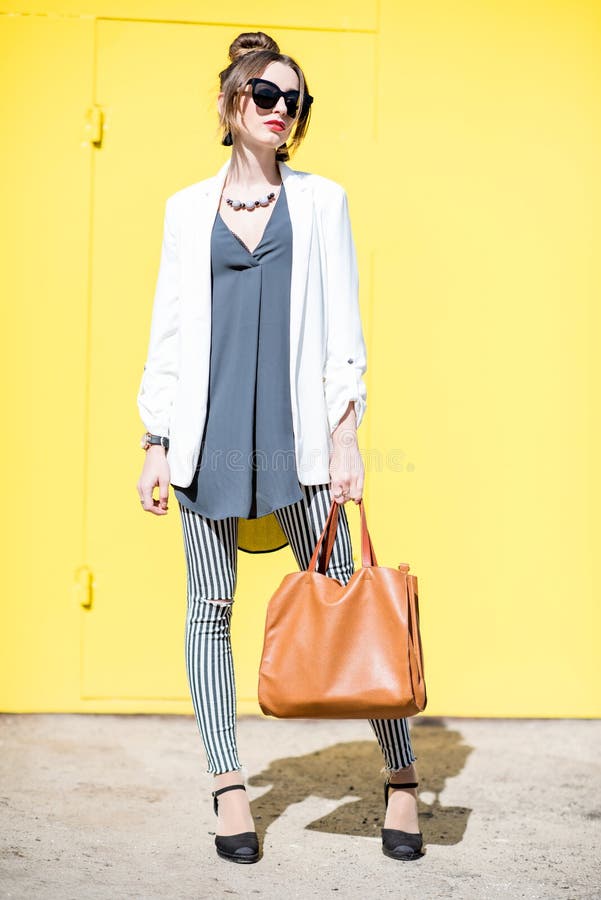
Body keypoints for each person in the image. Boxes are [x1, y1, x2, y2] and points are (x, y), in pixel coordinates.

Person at [136, 30, 423, 864]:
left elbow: (344, 333)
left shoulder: (322, 202)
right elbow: (170, 330)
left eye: (293, 101)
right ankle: (229, 786)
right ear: (231, 106)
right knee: (208, 608)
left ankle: (401, 780)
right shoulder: (184, 211)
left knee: (346, 594)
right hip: (207, 437)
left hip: (296, 436)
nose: (281, 111)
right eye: (265, 96)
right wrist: (155, 438)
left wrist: (345, 434)